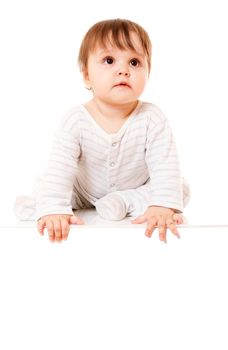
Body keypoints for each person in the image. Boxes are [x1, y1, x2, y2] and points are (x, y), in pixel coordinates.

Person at [14, 18, 190, 243]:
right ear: (87, 75)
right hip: (83, 190)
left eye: (135, 62)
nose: (123, 71)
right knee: (53, 185)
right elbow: (61, 166)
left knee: (178, 189)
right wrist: (55, 208)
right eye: (109, 60)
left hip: (134, 186)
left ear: (148, 72)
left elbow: (165, 164)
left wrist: (163, 205)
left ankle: (122, 202)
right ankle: (43, 205)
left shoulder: (152, 118)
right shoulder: (76, 120)